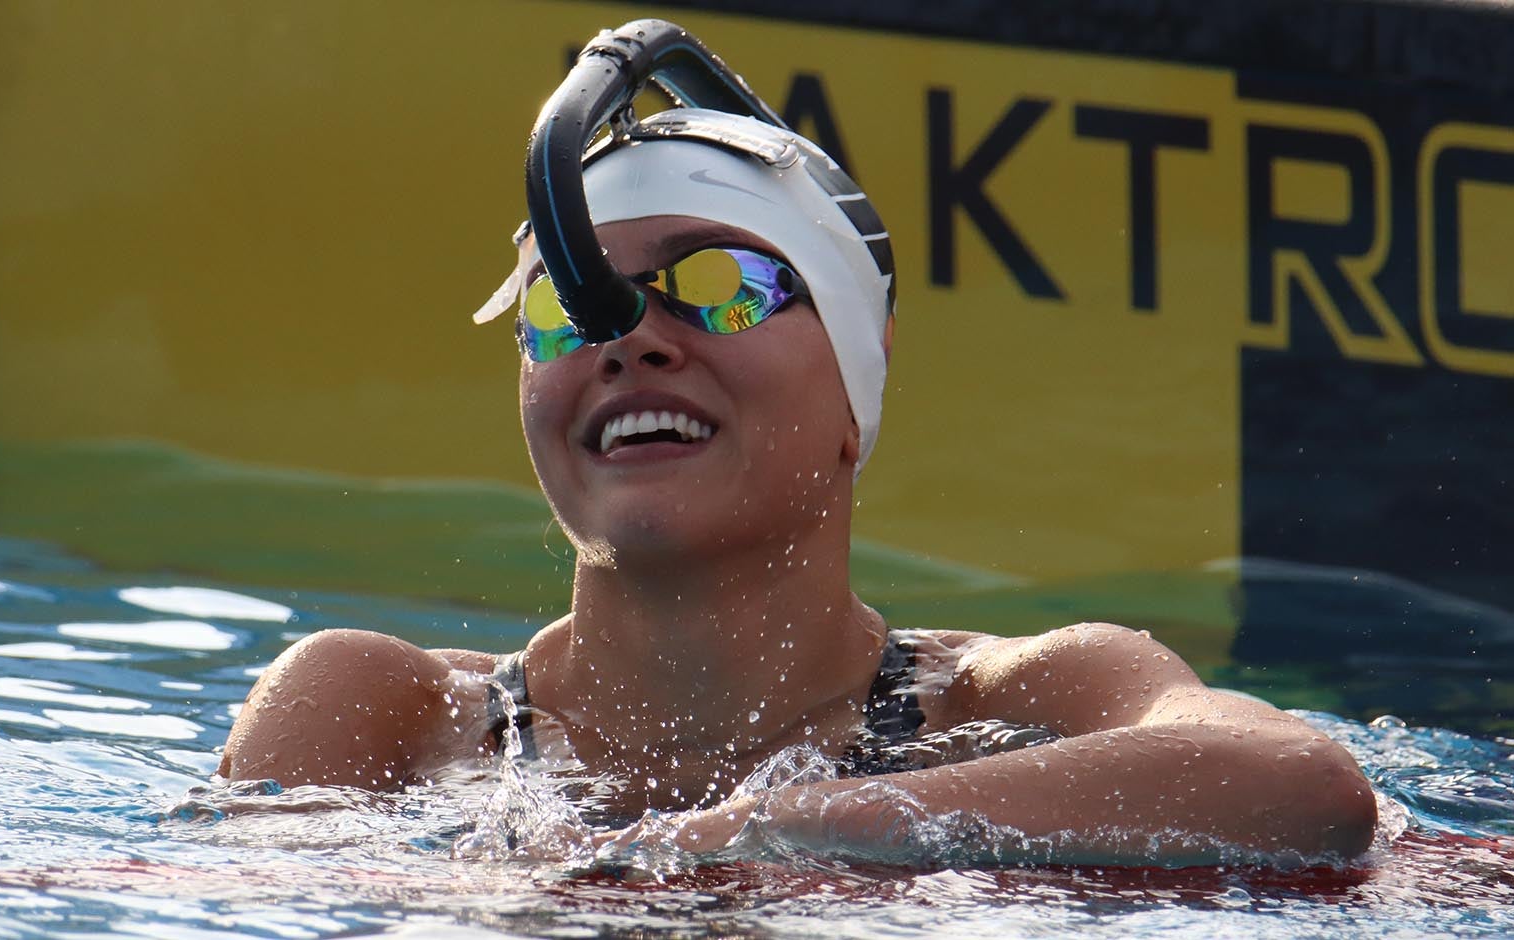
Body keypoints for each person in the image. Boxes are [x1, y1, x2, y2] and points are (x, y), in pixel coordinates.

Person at [218, 70, 1376, 867]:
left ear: (855, 381)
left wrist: (759, 831)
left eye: (721, 283)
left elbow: (1300, 785)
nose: (632, 336)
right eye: (567, 305)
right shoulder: (383, 710)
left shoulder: (1020, 705)